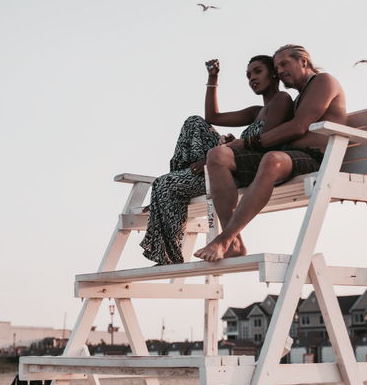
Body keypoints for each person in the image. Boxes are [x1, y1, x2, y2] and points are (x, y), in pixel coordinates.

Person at [194, 44, 347, 262]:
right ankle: (235, 243)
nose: (280, 70)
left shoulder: (323, 81)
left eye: (285, 64)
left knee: (271, 159)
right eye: (277, 67)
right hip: (288, 156)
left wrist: (247, 143)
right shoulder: (299, 96)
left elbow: (298, 127)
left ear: (303, 61)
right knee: (217, 155)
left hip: (316, 157)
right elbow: (213, 117)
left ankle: (225, 238)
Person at [140, 56, 294, 265]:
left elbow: (264, 142)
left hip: (248, 167)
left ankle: (170, 255)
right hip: (233, 159)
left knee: (163, 184)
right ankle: (179, 180)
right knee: (194, 122)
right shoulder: (256, 111)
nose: (252, 78)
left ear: (273, 73)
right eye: (248, 75)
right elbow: (212, 117)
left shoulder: (282, 99)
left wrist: (218, 155)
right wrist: (213, 78)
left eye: (258, 71)